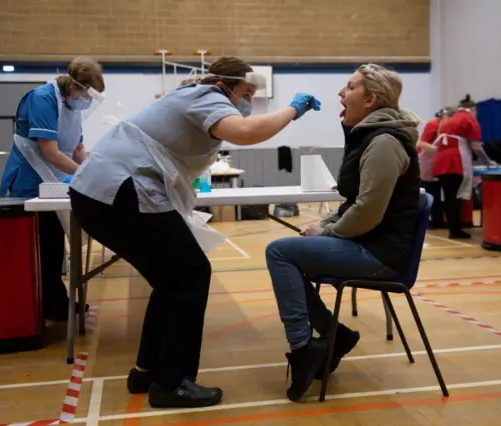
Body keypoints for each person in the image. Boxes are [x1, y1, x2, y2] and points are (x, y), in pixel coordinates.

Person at [67, 56, 321, 409]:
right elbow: (246, 133)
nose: (247, 102)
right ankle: (172, 383)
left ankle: (147, 372)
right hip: (118, 190)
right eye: (246, 93)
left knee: (172, 280)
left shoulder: (192, 98)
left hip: (100, 194)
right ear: (223, 85)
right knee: (191, 275)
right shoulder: (207, 98)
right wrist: (292, 110)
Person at [265, 64, 422, 402]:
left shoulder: (383, 142)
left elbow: (367, 212)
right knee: (289, 256)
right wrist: (323, 226)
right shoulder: (372, 137)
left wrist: (329, 231)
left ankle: (305, 347)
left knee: (280, 252)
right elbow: (355, 202)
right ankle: (334, 335)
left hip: (380, 255)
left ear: (371, 100)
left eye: (350, 87)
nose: (340, 93)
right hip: (369, 243)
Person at [0, 56, 105, 321]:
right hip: (29, 181)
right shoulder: (43, 98)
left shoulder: (72, 107)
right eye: (87, 94)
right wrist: (84, 175)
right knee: (43, 247)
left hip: (51, 184)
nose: (87, 101)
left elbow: (78, 149)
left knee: (54, 246)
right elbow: (50, 152)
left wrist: (97, 169)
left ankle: (56, 302)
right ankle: (48, 306)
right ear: (75, 87)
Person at [431, 94, 484, 239]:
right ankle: (455, 230)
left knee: (448, 197)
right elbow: (476, 146)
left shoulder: (449, 120)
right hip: (454, 162)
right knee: (455, 197)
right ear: (473, 109)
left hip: (441, 162)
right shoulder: (469, 119)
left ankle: (453, 228)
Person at [417, 106, 457, 228]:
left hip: (438, 162)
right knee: (431, 194)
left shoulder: (450, 127)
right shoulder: (433, 125)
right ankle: (429, 220)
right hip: (427, 161)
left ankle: (439, 220)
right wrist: (441, 150)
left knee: (439, 195)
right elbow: (420, 143)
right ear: (445, 116)